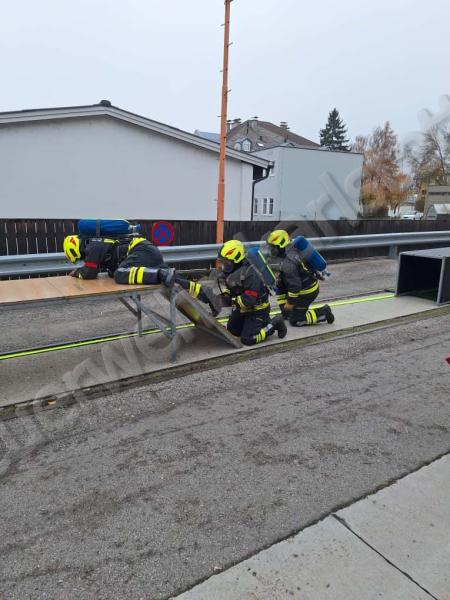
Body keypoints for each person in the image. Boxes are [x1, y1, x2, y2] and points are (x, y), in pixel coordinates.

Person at [63, 234, 220, 315]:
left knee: (120, 275)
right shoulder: (96, 243)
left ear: (74, 248)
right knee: (174, 279)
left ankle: (161, 274)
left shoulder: (92, 245)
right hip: (145, 250)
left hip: (140, 250)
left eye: (79, 257)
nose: (83, 259)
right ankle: (206, 294)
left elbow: (89, 272)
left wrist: (77, 273)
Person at [217, 239, 287, 346]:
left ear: (236, 259)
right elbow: (231, 288)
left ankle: (275, 323)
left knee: (248, 339)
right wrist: (225, 295)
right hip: (243, 309)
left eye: (226, 262)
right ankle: (257, 324)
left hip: (258, 310)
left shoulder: (251, 273)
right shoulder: (233, 270)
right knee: (233, 331)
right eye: (223, 262)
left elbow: (249, 300)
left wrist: (230, 301)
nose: (224, 266)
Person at [267, 229, 334, 327]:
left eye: (273, 247)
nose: (271, 250)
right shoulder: (289, 251)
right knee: (280, 286)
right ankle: (288, 312)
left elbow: (295, 286)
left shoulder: (289, 262)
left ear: (281, 245)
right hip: (300, 285)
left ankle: (324, 312)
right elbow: (283, 281)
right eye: (270, 247)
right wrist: (284, 309)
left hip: (307, 291)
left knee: (296, 320)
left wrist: (289, 304)